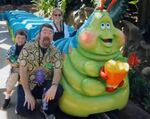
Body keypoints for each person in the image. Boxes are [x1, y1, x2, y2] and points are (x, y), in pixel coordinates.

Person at [16, 24, 63, 119]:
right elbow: (22, 70)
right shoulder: (28, 47)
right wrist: (28, 93)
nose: (47, 34)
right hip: (28, 84)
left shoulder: (55, 51)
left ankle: (45, 108)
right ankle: (27, 99)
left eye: (50, 33)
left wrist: (54, 86)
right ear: (40, 34)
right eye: (44, 32)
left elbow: (58, 70)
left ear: (52, 36)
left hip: (44, 84)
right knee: (25, 111)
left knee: (58, 89)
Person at [1, 30, 27, 109]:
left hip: (26, 69)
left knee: (25, 84)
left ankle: (27, 98)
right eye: (18, 37)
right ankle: (7, 98)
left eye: (23, 38)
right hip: (16, 68)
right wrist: (12, 64)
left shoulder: (29, 48)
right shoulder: (12, 48)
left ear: (26, 39)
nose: (20, 40)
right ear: (15, 38)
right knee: (11, 81)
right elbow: (7, 59)